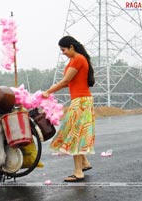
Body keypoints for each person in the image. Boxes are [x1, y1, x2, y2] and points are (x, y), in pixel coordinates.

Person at [43, 36, 95, 182]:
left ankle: (78, 172)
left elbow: (66, 80)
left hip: (81, 102)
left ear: (71, 47)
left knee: (75, 136)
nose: (63, 52)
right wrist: (51, 90)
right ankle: (84, 163)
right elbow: (68, 83)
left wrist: (49, 91)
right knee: (74, 133)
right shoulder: (74, 60)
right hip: (79, 101)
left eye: (64, 49)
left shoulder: (78, 59)